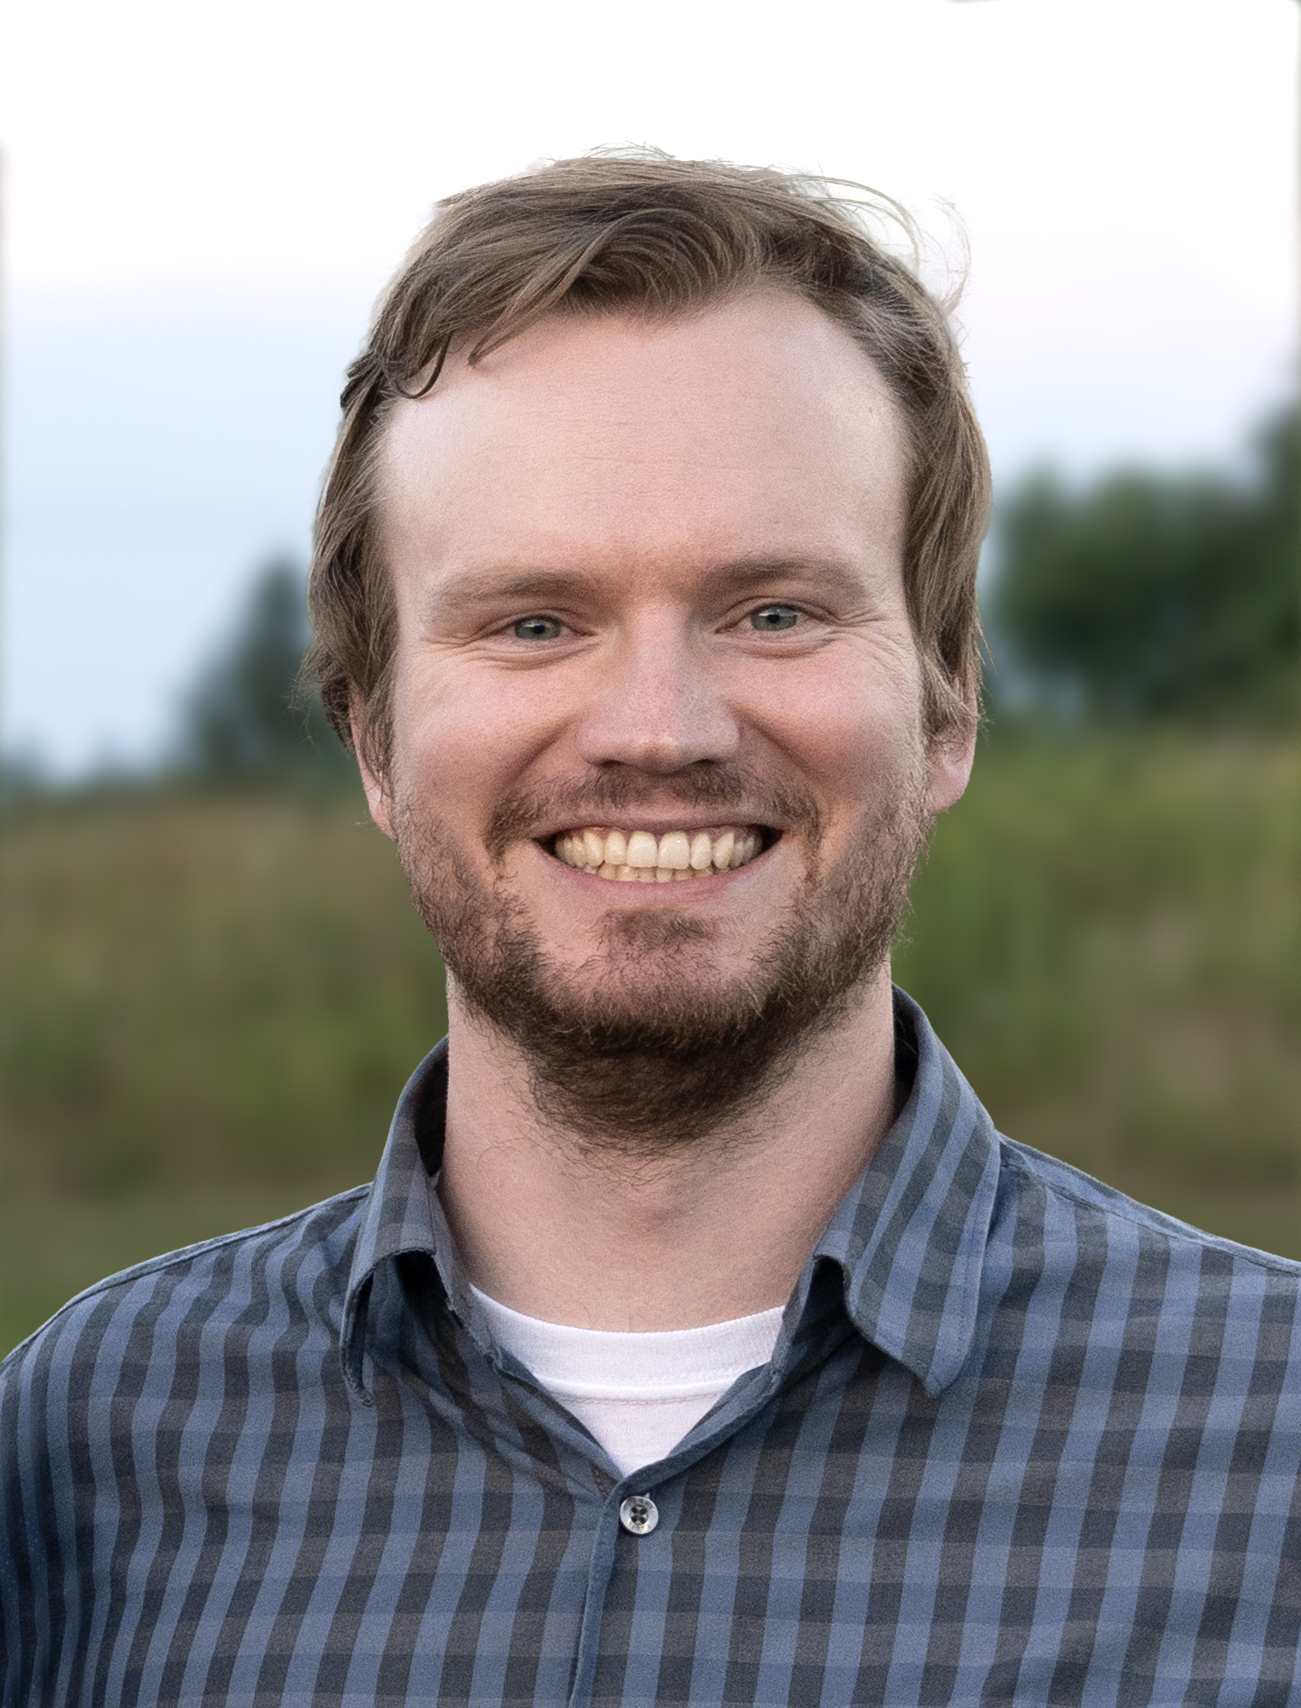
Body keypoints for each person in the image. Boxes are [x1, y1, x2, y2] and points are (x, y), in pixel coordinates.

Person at [2, 153, 1299, 1708]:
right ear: (370, 736)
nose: (657, 727)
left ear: (946, 702)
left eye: (773, 612)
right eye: (535, 621)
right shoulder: (82, 1447)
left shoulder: (1270, 1444)